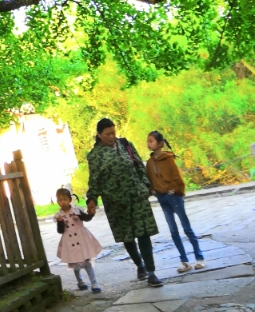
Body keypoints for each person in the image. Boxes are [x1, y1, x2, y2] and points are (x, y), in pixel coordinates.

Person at [86, 118, 163, 287]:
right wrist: (92, 199)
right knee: (128, 237)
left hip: (136, 197)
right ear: (99, 135)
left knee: (143, 234)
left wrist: (145, 185)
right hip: (116, 204)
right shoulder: (95, 155)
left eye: (113, 132)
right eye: (107, 134)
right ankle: (139, 265)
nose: (112, 136)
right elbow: (94, 180)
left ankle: (151, 272)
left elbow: (138, 165)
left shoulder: (125, 144)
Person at [146, 130, 206, 274]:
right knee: (173, 231)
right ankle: (184, 261)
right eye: (148, 141)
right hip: (162, 198)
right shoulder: (149, 162)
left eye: (151, 141)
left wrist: (173, 189)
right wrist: (153, 190)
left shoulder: (169, 159)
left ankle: (199, 258)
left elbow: (176, 177)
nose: (148, 144)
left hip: (174, 197)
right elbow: (149, 179)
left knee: (186, 228)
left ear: (160, 143)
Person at [54, 186, 103, 293]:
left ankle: (94, 283)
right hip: (69, 240)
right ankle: (80, 281)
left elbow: (87, 218)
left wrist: (91, 214)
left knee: (87, 262)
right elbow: (60, 231)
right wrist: (60, 222)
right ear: (57, 201)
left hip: (82, 239)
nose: (63, 202)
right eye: (60, 200)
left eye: (65, 199)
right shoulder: (59, 215)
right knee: (75, 264)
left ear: (70, 200)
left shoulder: (77, 210)